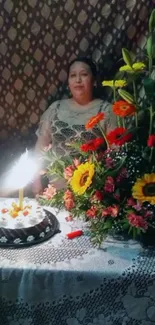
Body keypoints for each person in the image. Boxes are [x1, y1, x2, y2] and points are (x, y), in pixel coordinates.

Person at [33, 57, 117, 195]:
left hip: (91, 193)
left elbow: (115, 154)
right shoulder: (56, 108)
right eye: (73, 75)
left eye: (84, 74)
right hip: (53, 191)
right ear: (68, 83)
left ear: (94, 81)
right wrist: (36, 182)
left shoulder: (107, 111)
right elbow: (40, 148)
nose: (78, 80)